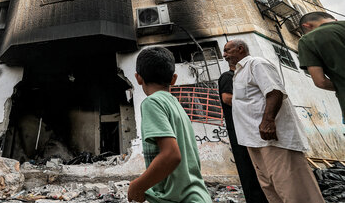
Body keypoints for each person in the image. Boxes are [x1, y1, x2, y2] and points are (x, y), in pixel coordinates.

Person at [223, 39, 324, 203]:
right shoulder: (238, 73)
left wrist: (268, 121)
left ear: (240, 48)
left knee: (294, 190)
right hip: (254, 141)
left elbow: (274, 91)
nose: (224, 55)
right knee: (273, 190)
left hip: (273, 139)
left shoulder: (256, 63)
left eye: (227, 50)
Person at [128, 47, 211, 203]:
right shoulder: (175, 104)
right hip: (196, 196)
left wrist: (137, 186)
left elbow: (171, 155)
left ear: (138, 78)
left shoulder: (152, 103)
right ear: (174, 79)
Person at [218, 63, 268, 203]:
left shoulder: (243, 78)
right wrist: (254, 105)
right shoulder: (228, 77)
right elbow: (227, 98)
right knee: (249, 169)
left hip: (250, 130)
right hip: (239, 131)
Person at [298, 11, 345, 123]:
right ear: (335, 21)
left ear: (307, 26)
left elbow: (320, 81)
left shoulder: (307, 40)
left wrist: (341, 84)